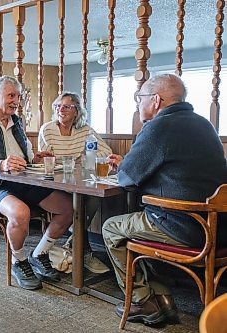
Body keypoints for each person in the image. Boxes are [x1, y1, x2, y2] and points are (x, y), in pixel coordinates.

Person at [102, 73, 227, 326]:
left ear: (156, 100)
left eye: (140, 97)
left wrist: (125, 167)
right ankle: (163, 299)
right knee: (141, 228)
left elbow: (127, 179)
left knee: (111, 228)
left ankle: (141, 300)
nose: (138, 103)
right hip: (218, 226)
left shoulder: (159, 127)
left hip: (185, 227)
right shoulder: (204, 124)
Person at [0, 75, 73, 290]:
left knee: (67, 208)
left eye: (18, 97)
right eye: (11, 96)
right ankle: (19, 260)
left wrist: (35, 158)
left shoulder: (18, 121)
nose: (16, 101)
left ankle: (39, 253)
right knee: (20, 213)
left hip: (22, 181)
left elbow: (26, 154)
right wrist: (1, 165)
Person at [38, 92, 112, 274]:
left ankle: (75, 245)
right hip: (55, 183)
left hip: (80, 181)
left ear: (77, 111)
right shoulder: (47, 129)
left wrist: (86, 157)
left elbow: (106, 151)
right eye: (58, 106)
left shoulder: (85, 130)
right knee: (79, 202)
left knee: (93, 198)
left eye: (66, 106)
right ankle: (83, 251)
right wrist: (75, 159)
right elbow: (49, 160)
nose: (60, 110)